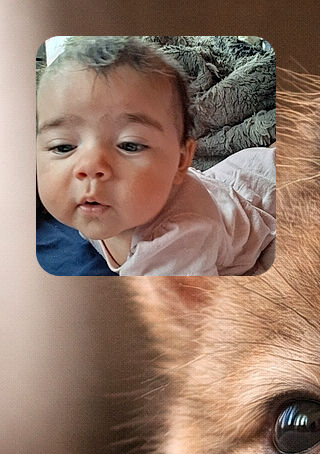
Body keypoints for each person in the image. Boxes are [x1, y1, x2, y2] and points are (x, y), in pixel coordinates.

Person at [36, 37, 275, 276]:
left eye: (129, 145)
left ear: (181, 161)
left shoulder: (179, 242)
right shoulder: (98, 201)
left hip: (267, 199)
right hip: (227, 180)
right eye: (63, 146)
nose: (88, 166)